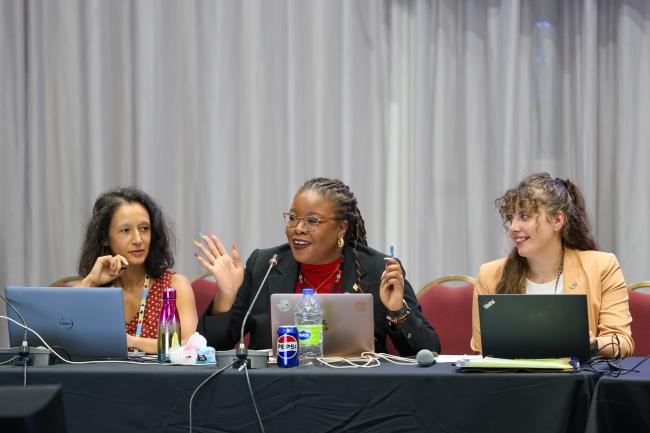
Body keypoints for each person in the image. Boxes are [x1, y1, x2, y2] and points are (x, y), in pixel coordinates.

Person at [194, 177, 440, 355]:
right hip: (272, 395)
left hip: (356, 397)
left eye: (312, 221)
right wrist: (226, 297)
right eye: (292, 218)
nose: (298, 228)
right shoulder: (265, 265)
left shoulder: (378, 270)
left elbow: (428, 351)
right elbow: (211, 347)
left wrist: (397, 311)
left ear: (341, 227)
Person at [470, 173, 633, 358]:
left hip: (576, 385)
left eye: (524, 216)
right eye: (511, 218)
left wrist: (592, 343)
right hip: (512, 385)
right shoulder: (490, 275)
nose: (513, 227)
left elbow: (622, 341)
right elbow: (480, 350)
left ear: (557, 221)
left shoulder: (603, 266)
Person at [76, 187, 197, 354]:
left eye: (144, 228)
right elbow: (62, 336)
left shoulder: (175, 285)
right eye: (125, 230)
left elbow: (188, 345)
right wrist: (91, 281)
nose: (138, 240)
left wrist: (132, 341)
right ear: (104, 238)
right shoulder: (90, 289)